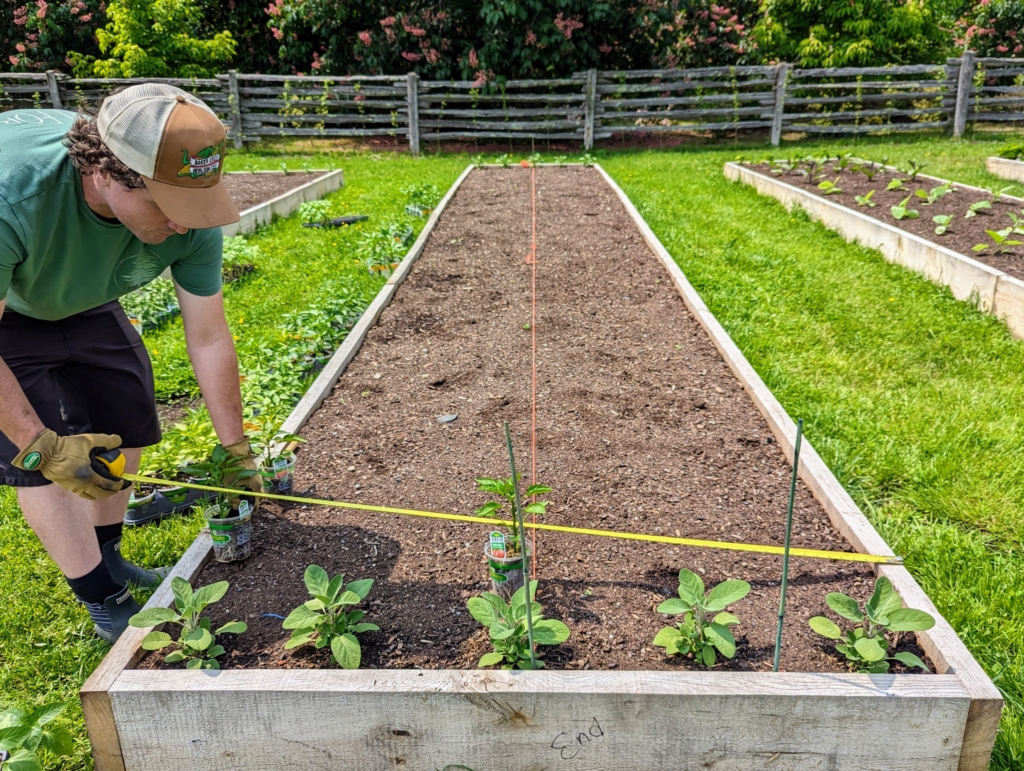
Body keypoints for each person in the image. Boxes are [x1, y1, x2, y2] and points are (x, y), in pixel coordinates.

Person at [0, 84, 261, 643]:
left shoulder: (191, 220)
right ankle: (101, 597)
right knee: (37, 458)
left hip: (83, 293)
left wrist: (235, 450)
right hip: (11, 304)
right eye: (169, 207)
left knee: (126, 413)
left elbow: (210, 336)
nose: (186, 225)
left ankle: (109, 553)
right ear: (106, 174)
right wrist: (41, 447)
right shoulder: (12, 200)